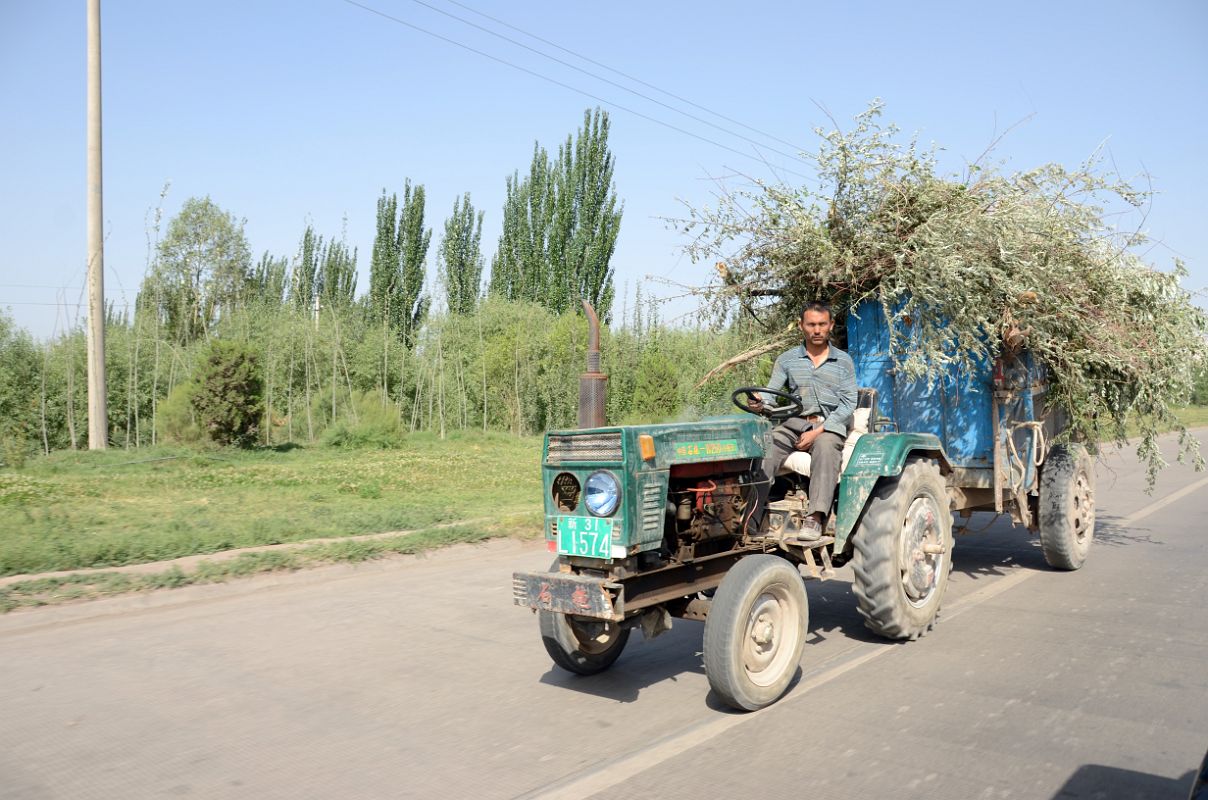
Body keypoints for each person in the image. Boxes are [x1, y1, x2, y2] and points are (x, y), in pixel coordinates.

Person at [747, 301, 857, 539]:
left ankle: (815, 518)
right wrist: (759, 402)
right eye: (811, 325)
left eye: (821, 324)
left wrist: (817, 432)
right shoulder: (787, 360)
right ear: (801, 326)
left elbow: (849, 404)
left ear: (830, 326)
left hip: (830, 423)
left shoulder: (843, 361)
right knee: (766, 445)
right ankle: (751, 519)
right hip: (795, 422)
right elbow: (771, 395)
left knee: (826, 448)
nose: (816, 330)